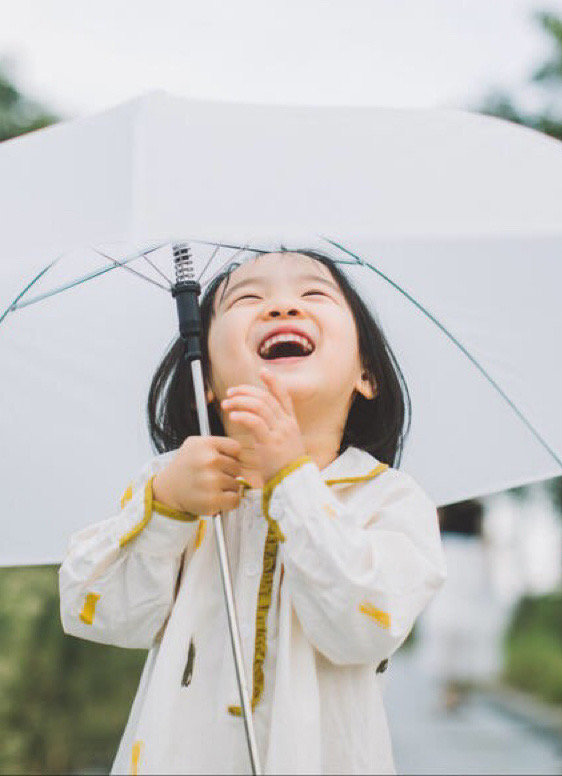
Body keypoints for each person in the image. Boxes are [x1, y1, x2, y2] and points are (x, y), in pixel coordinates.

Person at [59, 248, 446, 775]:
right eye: (248, 298)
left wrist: (291, 480)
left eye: (313, 294)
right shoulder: (174, 489)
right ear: (208, 384)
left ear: (367, 374)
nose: (283, 308)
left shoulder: (388, 501)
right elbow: (95, 610)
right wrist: (167, 509)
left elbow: (363, 625)